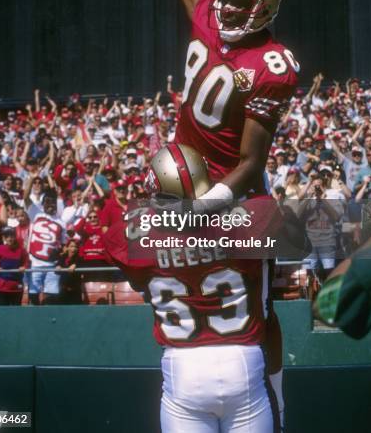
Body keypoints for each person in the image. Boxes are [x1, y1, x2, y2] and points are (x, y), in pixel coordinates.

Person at [158, 0, 301, 428]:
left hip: (233, 192)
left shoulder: (271, 66)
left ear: (263, 10)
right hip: (185, 178)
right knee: (182, 294)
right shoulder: (210, 18)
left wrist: (210, 203)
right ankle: (186, 390)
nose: (224, 12)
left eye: (239, 6)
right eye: (225, 1)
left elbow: (251, 163)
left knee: (259, 309)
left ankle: (275, 398)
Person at [104, 145, 287, 433]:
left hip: (183, 367)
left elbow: (139, 280)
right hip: (244, 361)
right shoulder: (246, 221)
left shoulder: (131, 232)